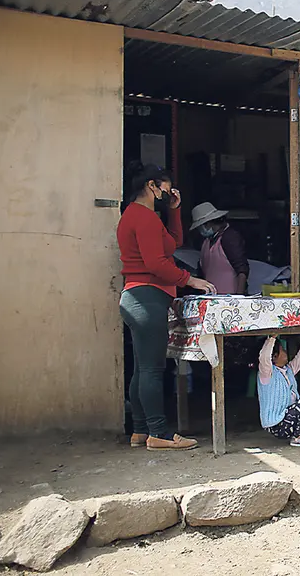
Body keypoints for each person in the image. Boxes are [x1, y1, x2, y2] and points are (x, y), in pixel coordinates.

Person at [117, 162, 215, 451]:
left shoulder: (137, 215)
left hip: (138, 298)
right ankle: (158, 433)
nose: (168, 191)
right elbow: (156, 263)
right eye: (166, 187)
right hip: (147, 299)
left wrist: (174, 210)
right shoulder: (143, 217)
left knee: (142, 369)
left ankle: (139, 430)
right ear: (152, 186)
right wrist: (191, 280)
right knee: (152, 370)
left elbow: (172, 244)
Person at [257, 334, 300, 447]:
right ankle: (298, 437)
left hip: (288, 417)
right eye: (282, 350)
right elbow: (264, 357)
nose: (285, 351)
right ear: (274, 356)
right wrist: (272, 338)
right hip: (277, 424)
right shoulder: (267, 373)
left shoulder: (288, 370)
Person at [190, 202, 249, 295]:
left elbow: (242, 270)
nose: (200, 230)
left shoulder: (229, 237)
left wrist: (239, 297)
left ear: (208, 223)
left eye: (200, 226)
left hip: (229, 298)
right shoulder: (206, 241)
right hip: (211, 297)